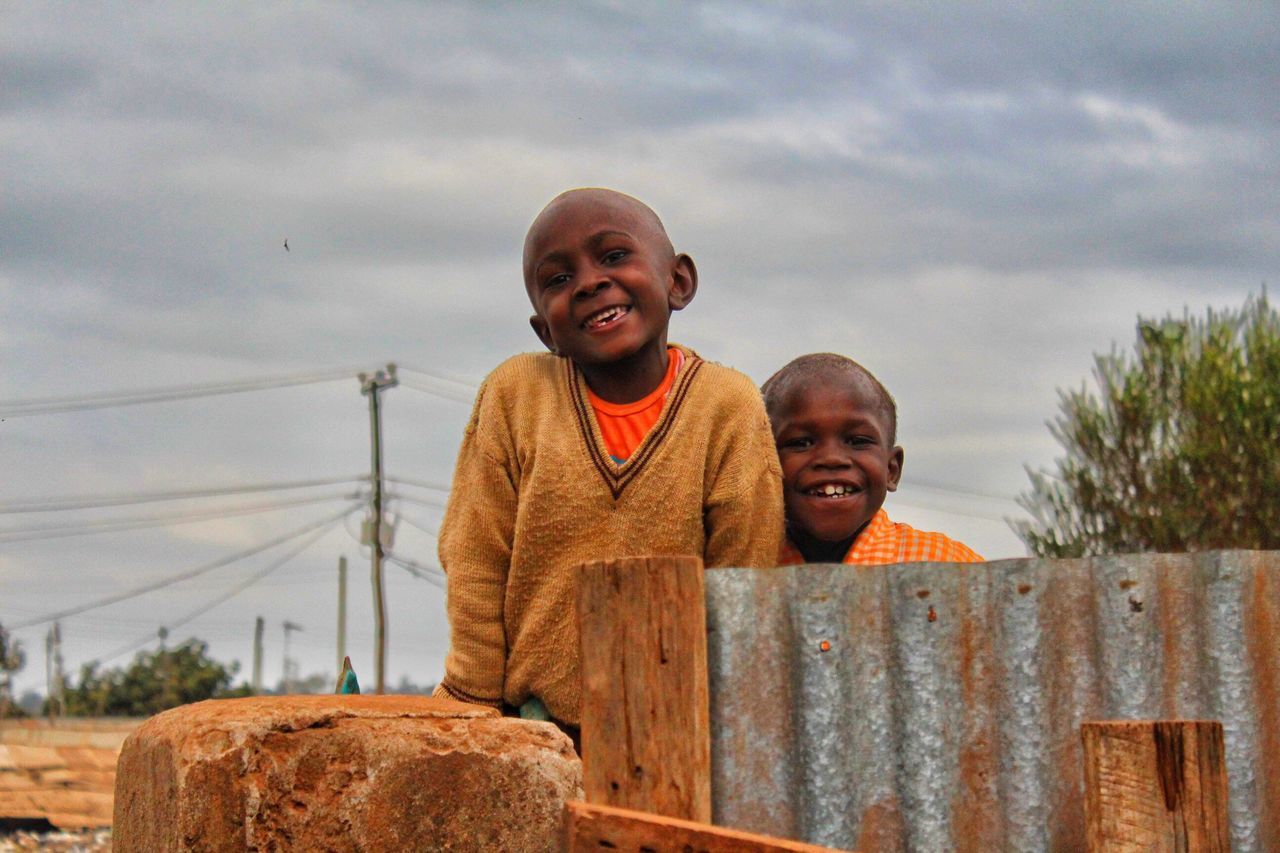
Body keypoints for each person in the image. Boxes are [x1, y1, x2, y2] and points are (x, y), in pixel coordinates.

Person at [433, 188, 784, 734]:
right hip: (533, 729)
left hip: (674, 731)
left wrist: (722, 723)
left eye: (615, 256)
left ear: (679, 281)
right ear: (545, 331)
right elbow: (476, 558)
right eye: (558, 279)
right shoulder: (516, 395)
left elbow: (743, 578)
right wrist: (474, 711)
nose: (591, 282)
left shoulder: (726, 405)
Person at [762, 353, 982, 565]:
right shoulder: (739, 569)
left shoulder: (950, 566)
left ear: (891, 469)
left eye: (857, 441)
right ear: (759, 466)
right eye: (801, 443)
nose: (831, 458)